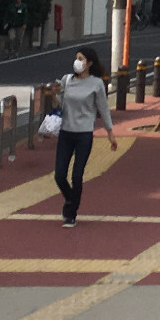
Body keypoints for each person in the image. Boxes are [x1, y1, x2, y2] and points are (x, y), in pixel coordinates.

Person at [53, 48, 118, 228]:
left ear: (89, 63)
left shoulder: (96, 83)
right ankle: (70, 199)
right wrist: (55, 93)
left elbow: (103, 109)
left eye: (81, 59)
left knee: (77, 175)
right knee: (59, 175)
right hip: (66, 131)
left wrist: (110, 133)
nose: (77, 62)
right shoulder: (67, 80)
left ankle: (71, 213)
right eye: (76, 58)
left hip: (84, 134)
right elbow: (59, 104)